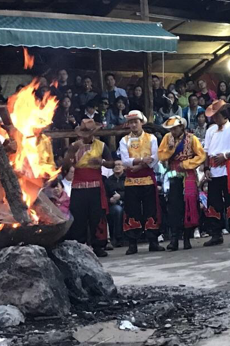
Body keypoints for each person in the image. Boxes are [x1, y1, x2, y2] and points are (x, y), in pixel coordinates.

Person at [63, 118, 114, 257]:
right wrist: (71, 152)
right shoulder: (74, 146)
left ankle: (98, 245)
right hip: (78, 185)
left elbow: (111, 163)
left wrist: (101, 162)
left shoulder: (101, 146)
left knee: (96, 216)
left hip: (96, 185)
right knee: (79, 216)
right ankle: (80, 244)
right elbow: (65, 166)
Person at [202, 99, 230, 246]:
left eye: (216, 115)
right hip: (214, 171)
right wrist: (207, 168)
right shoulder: (210, 130)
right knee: (213, 203)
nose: (214, 118)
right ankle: (216, 233)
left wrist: (226, 156)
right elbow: (206, 152)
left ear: (223, 114)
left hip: (229, 170)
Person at [158, 115, 206, 251]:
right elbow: (161, 156)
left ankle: (186, 238)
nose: (173, 131)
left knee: (189, 205)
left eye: (175, 128)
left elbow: (201, 155)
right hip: (173, 174)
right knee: (174, 206)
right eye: (171, 128)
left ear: (181, 127)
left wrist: (187, 164)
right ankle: (174, 239)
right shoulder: (167, 139)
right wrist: (170, 149)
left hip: (188, 174)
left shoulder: (192, 138)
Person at [118, 110, 162, 254]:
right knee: (132, 211)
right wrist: (142, 160)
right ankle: (132, 243)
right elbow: (125, 161)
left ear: (141, 122)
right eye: (131, 122)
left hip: (147, 179)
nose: (133, 125)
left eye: (135, 122)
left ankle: (153, 241)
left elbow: (154, 158)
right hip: (131, 181)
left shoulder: (151, 138)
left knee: (151, 209)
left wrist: (137, 165)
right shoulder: (124, 140)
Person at [105, 160, 126, 247]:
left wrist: (120, 196)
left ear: (124, 167)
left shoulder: (127, 178)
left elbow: (130, 191)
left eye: (119, 165)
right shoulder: (108, 180)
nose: (117, 167)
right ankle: (118, 238)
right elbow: (105, 194)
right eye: (115, 165)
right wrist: (110, 200)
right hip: (113, 204)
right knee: (118, 210)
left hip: (126, 201)